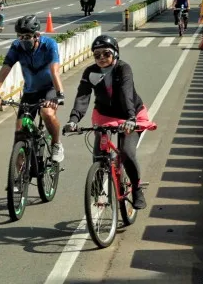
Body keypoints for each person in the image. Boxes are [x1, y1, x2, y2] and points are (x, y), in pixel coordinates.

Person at [63, 35, 152, 210]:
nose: (102, 58)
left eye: (106, 53)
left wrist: (131, 118)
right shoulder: (90, 72)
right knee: (99, 152)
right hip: (104, 115)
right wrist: (73, 119)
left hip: (131, 114)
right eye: (97, 55)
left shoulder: (123, 68)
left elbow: (127, 93)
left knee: (126, 151)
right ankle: (96, 179)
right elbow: (83, 96)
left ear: (115, 54)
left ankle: (136, 188)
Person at [0, 15, 66, 162]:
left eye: (27, 36)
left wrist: (59, 94)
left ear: (37, 35)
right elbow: (5, 68)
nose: (23, 40)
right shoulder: (16, 46)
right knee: (19, 136)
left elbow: (54, 70)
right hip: (30, 91)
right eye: (20, 36)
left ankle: (56, 144)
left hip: (49, 89)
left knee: (47, 113)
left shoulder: (49, 45)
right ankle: (16, 182)